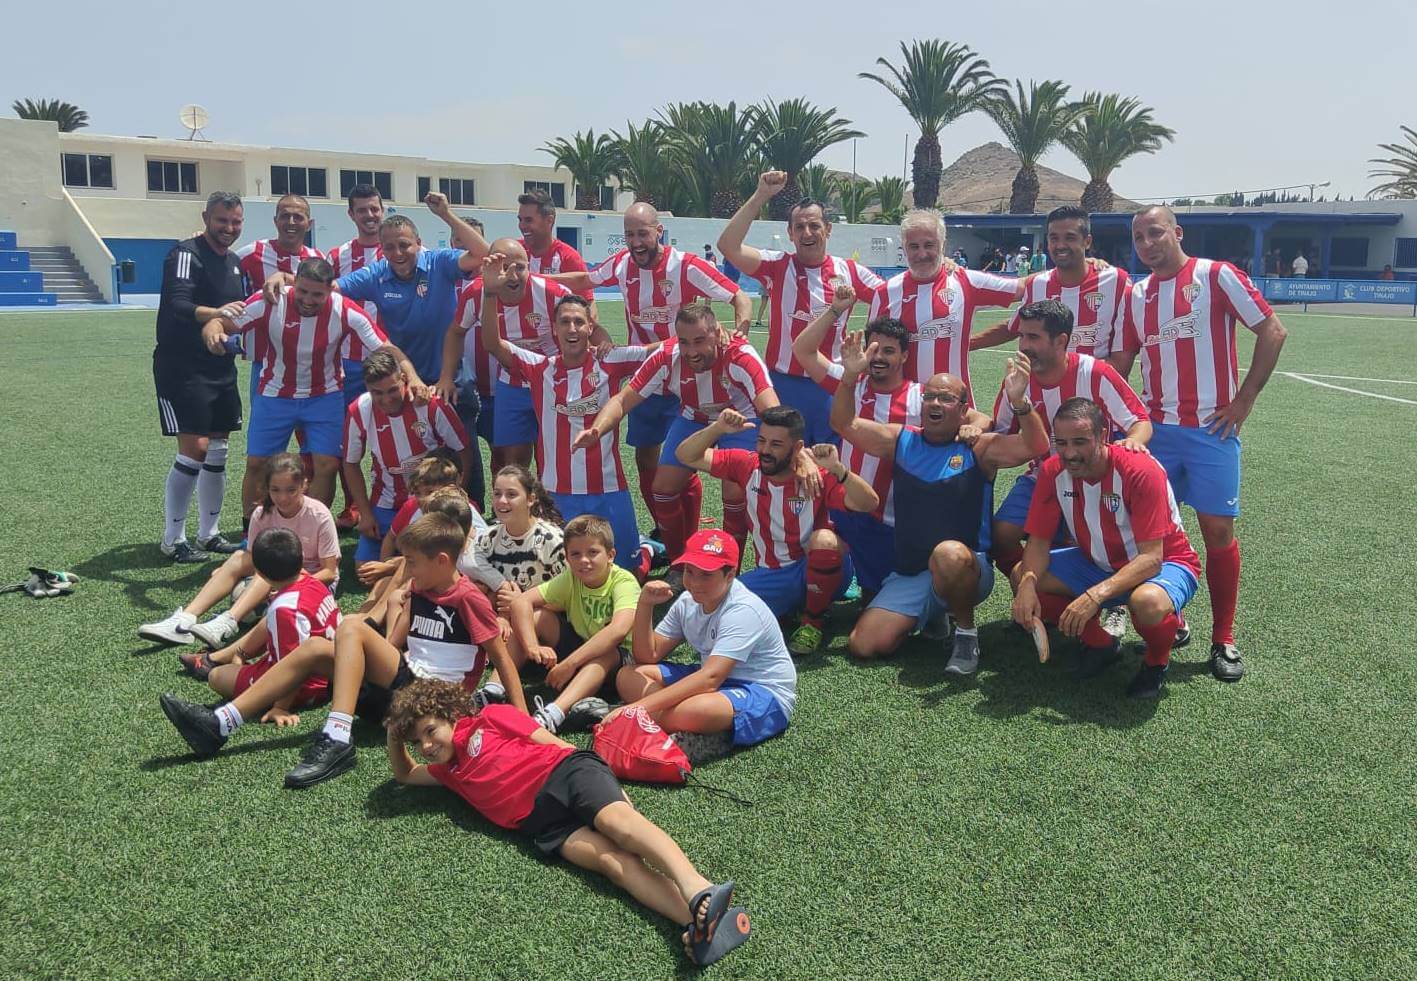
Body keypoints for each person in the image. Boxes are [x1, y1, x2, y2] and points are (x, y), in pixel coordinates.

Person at [383, 678, 750, 967]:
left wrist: (607, 784)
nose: (426, 746)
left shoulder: (489, 718)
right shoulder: (447, 772)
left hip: (564, 774)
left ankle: (698, 887)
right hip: (541, 823)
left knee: (619, 825)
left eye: (430, 731)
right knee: (613, 863)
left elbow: (553, 743)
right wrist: (393, 734)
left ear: (450, 715)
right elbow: (405, 774)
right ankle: (697, 923)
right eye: (417, 742)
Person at [159, 512, 528, 789]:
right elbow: (398, 643)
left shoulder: (468, 598)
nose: (408, 571)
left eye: (413, 563)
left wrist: (525, 721)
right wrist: (372, 651)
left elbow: (502, 659)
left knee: (351, 624)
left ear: (443, 561)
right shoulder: (421, 587)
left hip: (434, 700)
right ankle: (221, 724)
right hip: (401, 690)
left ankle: (337, 736)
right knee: (316, 647)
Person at [1110, 205, 1287, 682]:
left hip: (1212, 431)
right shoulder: (1137, 294)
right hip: (1156, 433)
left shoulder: (1216, 276)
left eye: (1155, 233)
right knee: (1150, 533)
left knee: (1217, 533)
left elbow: (1272, 330)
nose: (1147, 244)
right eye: (1139, 237)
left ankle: (1223, 637)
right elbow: (1123, 358)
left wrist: (1244, 400)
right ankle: (1175, 617)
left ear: (1177, 232)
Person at [831, 333, 1048, 672]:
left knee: (948, 554)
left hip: (968, 568)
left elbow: (1035, 447)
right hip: (912, 572)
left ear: (963, 410)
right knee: (863, 645)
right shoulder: (901, 439)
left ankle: (966, 634)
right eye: (929, 396)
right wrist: (848, 377)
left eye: (945, 399)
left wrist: (1020, 402)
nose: (934, 403)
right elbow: (844, 423)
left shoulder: (979, 448)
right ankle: (933, 613)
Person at [548, 203, 750, 532]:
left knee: (684, 462)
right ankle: (664, 528)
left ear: (659, 231)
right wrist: (536, 278)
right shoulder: (622, 264)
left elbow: (739, 295)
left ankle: (690, 532)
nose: (636, 242)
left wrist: (740, 329)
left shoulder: (685, 266)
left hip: (684, 375)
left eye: (643, 234)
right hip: (646, 379)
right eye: (629, 235)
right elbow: (584, 278)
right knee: (646, 460)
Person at [1012, 398, 1202, 698]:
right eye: (1061, 443)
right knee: (1023, 575)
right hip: (1097, 561)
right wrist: (1027, 582)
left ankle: (1156, 662)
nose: (1069, 453)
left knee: (1147, 603)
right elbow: (1038, 541)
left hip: (1167, 563)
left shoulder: (1139, 470)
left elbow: (1152, 559)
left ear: (1103, 436)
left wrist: (1095, 596)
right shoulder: (1052, 471)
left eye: (1080, 442)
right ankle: (1101, 645)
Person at [207, 257, 418, 515]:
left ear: (330, 290)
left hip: (324, 396)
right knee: (258, 463)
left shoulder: (345, 310)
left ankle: (312, 530)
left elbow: (387, 348)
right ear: (294, 283)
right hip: (275, 393)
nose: (308, 300)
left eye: (317, 294)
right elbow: (222, 321)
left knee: (327, 465)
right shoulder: (271, 300)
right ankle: (251, 530)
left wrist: (413, 377)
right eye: (303, 291)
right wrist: (213, 332)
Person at [478, 265, 653, 575]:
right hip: (556, 492)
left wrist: (711, 333)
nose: (572, 329)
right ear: (554, 328)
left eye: (579, 322)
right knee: (558, 571)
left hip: (608, 487)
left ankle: (649, 549)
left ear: (590, 327)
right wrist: (490, 293)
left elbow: (661, 352)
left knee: (629, 571)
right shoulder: (538, 368)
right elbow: (493, 343)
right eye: (565, 322)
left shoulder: (610, 360)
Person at [579, 302, 777, 562]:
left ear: (718, 333)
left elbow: (772, 410)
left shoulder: (740, 355)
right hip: (694, 417)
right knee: (663, 488)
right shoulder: (666, 356)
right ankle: (678, 563)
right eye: (684, 342)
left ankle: (729, 569)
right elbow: (623, 400)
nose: (691, 351)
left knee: (735, 492)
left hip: (742, 419)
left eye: (699, 341)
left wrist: (793, 452)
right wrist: (597, 429)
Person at [675, 407, 878, 656]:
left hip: (820, 568)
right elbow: (686, 455)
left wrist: (839, 470)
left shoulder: (816, 477)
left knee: (825, 540)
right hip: (772, 575)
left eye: (776, 444)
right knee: (717, 610)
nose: (765, 450)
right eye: (762, 441)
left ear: (797, 447)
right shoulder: (747, 465)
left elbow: (869, 503)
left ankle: (812, 623)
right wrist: (717, 428)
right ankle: (790, 607)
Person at [987, 299, 1151, 582]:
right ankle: (1031, 587)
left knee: (1091, 547)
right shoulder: (1017, 380)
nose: (1024, 345)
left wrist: (1133, 442)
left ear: (1061, 340)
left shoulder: (1094, 372)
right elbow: (1001, 433)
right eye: (1021, 336)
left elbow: (1140, 422)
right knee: (1001, 534)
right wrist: (976, 427)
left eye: (1033, 337)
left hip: (1093, 478)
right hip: (1042, 476)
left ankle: (1101, 597)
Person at [717, 171, 885, 445]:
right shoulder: (777, 266)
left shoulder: (850, 271)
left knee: (831, 462)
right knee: (784, 461)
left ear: (828, 229)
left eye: (815, 226)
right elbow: (728, 246)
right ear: (790, 233)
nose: (807, 233)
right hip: (784, 385)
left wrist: (942, 267)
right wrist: (761, 195)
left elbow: (893, 297)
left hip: (832, 385)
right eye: (800, 227)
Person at [264, 193, 491, 387]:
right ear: (382, 249)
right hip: (404, 376)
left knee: (458, 427)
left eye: (404, 245)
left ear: (419, 243)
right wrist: (285, 277)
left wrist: (446, 214)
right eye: (389, 247)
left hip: (450, 376)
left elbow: (483, 254)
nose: (398, 253)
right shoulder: (375, 275)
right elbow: (329, 287)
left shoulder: (439, 263)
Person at [613, 529, 797, 757]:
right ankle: (675, 724)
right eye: (689, 571)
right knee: (628, 675)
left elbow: (710, 679)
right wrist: (645, 604)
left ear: (730, 575)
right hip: (713, 678)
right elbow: (647, 656)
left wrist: (637, 707)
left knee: (699, 709)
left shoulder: (743, 609)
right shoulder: (687, 602)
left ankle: (656, 720)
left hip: (761, 690)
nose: (695, 582)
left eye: (706, 575)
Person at [793, 289, 922, 597]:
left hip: (892, 521)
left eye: (889, 351)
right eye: (873, 349)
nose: (878, 357)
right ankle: (840, 579)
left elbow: (971, 419)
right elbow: (803, 350)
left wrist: (972, 427)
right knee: (818, 550)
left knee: (878, 600)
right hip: (846, 509)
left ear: (904, 356)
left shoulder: (920, 397)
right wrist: (835, 310)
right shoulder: (850, 381)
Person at [138, 453, 339, 650]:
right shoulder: (261, 514)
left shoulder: (319, 514)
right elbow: (252, 558)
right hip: (276, 576)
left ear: (304, 485)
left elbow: (330, 572)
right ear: (267, 488)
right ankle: (184, 620)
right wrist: (228, 571)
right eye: (275, 490)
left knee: (269, 569)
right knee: (239, 559)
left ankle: (228, 622)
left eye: (291, 490)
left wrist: (285, 582)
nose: (282, 498)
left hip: (313, 582)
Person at [152, 190, 249, 563]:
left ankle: (209, 534)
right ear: (206, 217)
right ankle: (172, 538)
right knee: (196, 448)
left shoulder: (235, 263)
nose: (229, 228)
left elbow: (242, 312)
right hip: (182, 366)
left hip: (220, 367)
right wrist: (216, 313)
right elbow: (177, 303)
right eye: (222, 220)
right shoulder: (185, 254)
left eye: (236, 222)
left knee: (219, 448)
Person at [437, 239, 583, 471]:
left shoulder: (553, 294)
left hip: (553, 382)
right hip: (511, 382)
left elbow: (584, 329)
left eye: (520, 267)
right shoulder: (476, 293)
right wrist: (446, 377)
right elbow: (456, 332)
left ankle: (551, 495)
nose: (513, 276)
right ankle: (509, 496)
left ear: (529, 267)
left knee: (556, 456)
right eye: (505, 268)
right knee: (511, 460)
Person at [184, 527, 340, 718]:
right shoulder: (314, 583)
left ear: (258, 572)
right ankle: (237, 654)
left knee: (216, 677)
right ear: (301, 558)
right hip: (328, 672)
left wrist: (280, 707)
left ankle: (227, 662)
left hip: (308, 687)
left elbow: (292, 667)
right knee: (271, 622)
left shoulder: (285, 609)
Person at [505, 514, 641, 733]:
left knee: (605, 652)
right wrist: (532, 646)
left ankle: (553, 714)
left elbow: (618, 631)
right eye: (575, 554)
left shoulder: (623, 581)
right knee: (538, 616)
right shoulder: (571, 577)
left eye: (593, 552)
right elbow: (521, 602)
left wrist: (569, 664)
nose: (583, 560)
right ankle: (494, 688)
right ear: (567, 558)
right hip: (582, 650)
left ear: (610, 555)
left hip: (620, 663)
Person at [868, 209, 1022, 400]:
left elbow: (1024, 288)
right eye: (914, 246)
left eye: (929, 245)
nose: (922, 254)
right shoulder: (885, 293)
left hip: (955, 407)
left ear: (943, 245)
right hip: (903, 407)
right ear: (904, 248)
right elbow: (872, 354)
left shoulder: (967, 282)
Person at [344, 349, 470, 563]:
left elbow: (463, 451)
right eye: (377, 393)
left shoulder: (430, 404)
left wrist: (455, 496)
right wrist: (365, 513)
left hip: (432, 498)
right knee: (364, 569)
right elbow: (350, 463)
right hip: (387, 500)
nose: (386, 399)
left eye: (392, 390)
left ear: (403, 379)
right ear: (367, 388)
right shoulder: (359, 410)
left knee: (437, 562)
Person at [973, 206, 1131, 359]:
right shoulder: (1037, 285)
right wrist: (966, 343)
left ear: (1087, 241)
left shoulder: (1116, 282)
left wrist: (1082, 375)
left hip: (1097, 378)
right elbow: (1014, 327)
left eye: (1070, 238)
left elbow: (1124, 357)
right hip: (1041, 378)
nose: (1060, 245)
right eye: (1054, 238)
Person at [326, 182, 388, 528]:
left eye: (374, 208)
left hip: (388, 357)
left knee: (395, 429)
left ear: (383, 210)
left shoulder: (399, 249)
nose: (369, 215)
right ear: (351, 214)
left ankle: (394, 500)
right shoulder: (337, 256)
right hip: (347, 361)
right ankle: (353, 505)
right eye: (362, 210)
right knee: (347, 436)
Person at [461, 465, 566, 605]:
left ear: (530, 499)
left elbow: (571, 592)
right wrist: (498, 586)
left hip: (544, 611)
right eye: (497, 494)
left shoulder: (551, 540)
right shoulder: (488, 538)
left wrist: (522, 602)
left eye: (511, 495)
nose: (502, 501)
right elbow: (467, 563)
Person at [517, 188, 595, 306]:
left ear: (549, 220)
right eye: (520, 219)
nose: (522, 225)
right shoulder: (514, 253)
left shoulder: (568, 258)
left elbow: (588, 306)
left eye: (528, 220)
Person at [235, 195, 322, 294]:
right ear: (275, 221)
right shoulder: (255, 251)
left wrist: (286, 278)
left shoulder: (318, 259)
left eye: (298, 217)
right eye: (285, 216)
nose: (291, 222)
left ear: (309, 224)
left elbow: (328, 289)